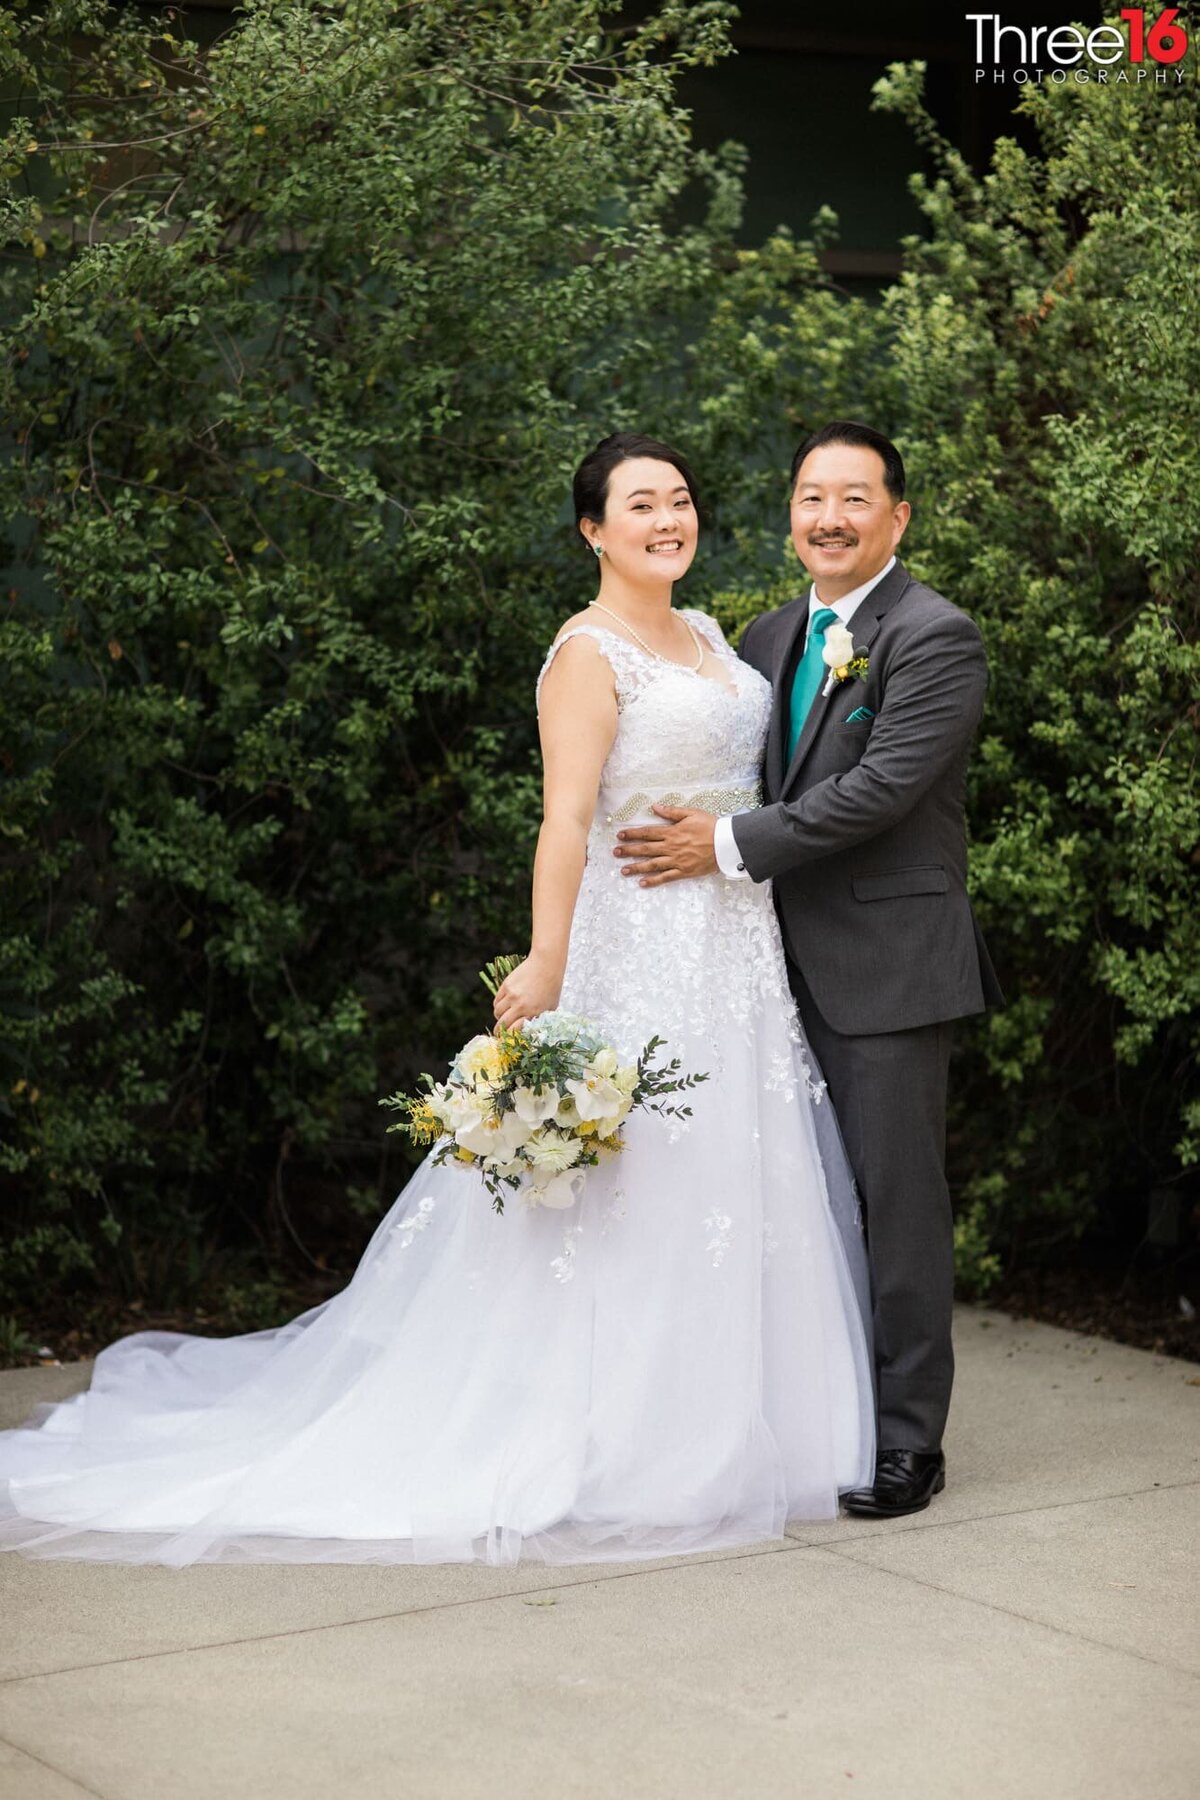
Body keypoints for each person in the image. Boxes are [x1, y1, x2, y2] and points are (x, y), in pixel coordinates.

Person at [0, 432, 874, 1568]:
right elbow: (566, 817)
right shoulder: (586, 655)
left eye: (682, 500)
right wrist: (547, 958)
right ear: (592, 531)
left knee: (730, 1171)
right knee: (641, 1176)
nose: (669, 520)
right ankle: (626, 1439)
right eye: (640, 505)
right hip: (640, 940)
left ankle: (746, 1422)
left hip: (732, 943)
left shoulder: (712, 635)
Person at [615, 422, 1002, 1518]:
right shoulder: (772, 631)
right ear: (791, 512)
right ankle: (813, 1409)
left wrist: (723, 848)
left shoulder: (936, 636)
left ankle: (906, 1442)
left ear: (898, 516)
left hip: (888, 966)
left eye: (853, 499)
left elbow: (880, 789)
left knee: (895, 1202)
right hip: (765, 966)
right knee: (799, 1199)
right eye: (809, 498)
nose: (828, 518)